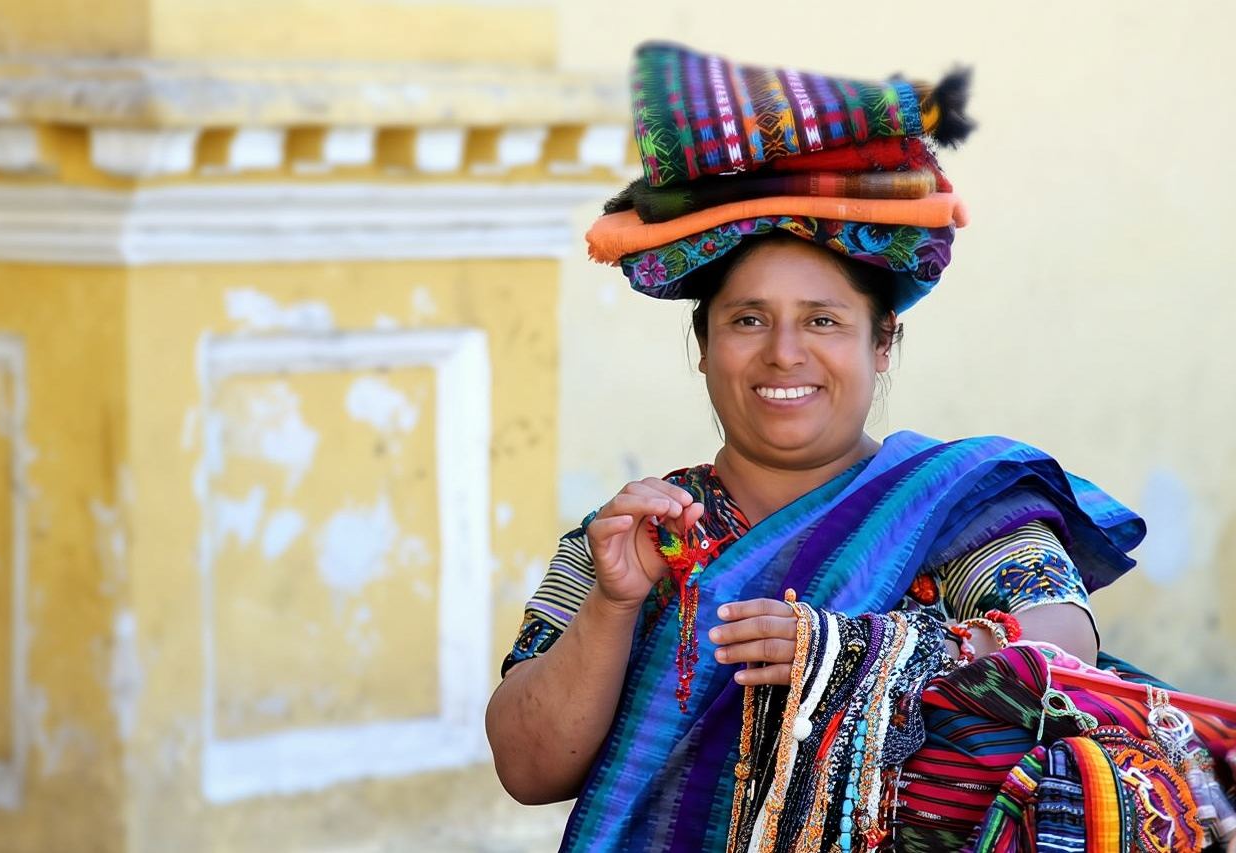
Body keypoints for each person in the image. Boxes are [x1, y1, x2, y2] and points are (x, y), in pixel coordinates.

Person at [486, 43, 1235, 853]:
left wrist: (847, 655)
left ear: (882, 343)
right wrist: (613, 603)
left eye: (823, 320)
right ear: (702, 344)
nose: (783, 353)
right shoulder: (637, 538)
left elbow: (1059, 646)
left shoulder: (955, 507)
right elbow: (529, 768)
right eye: (746, 319)